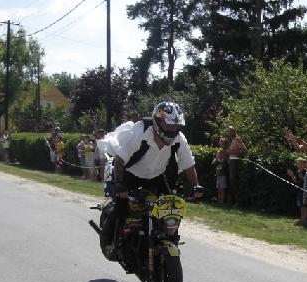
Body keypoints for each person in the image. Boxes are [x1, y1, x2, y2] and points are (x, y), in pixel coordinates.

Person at [94, 101, 203, 255]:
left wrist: (195, 186)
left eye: (175, 126)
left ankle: (171, 240)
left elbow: (189, 165)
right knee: (121, 208)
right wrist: (120, 185)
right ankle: (108, 243)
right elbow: (119, 160)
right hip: (130, 175)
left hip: (156, 176)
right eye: (168, 125)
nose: (172, 129)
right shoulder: (141, 133)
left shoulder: (179, 139)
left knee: (171, 208)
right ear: (158, 122)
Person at [225, 126, 247, 205]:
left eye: (230, 131)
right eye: (228, 131)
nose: (229, 133)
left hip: (235, 161)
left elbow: (244, 149)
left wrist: (234, 152)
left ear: (234, 132)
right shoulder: (231, 141)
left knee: (233, 180)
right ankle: (233, 201)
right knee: (231, 181)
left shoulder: (237, 139)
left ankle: (237, 201)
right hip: (231, 161)